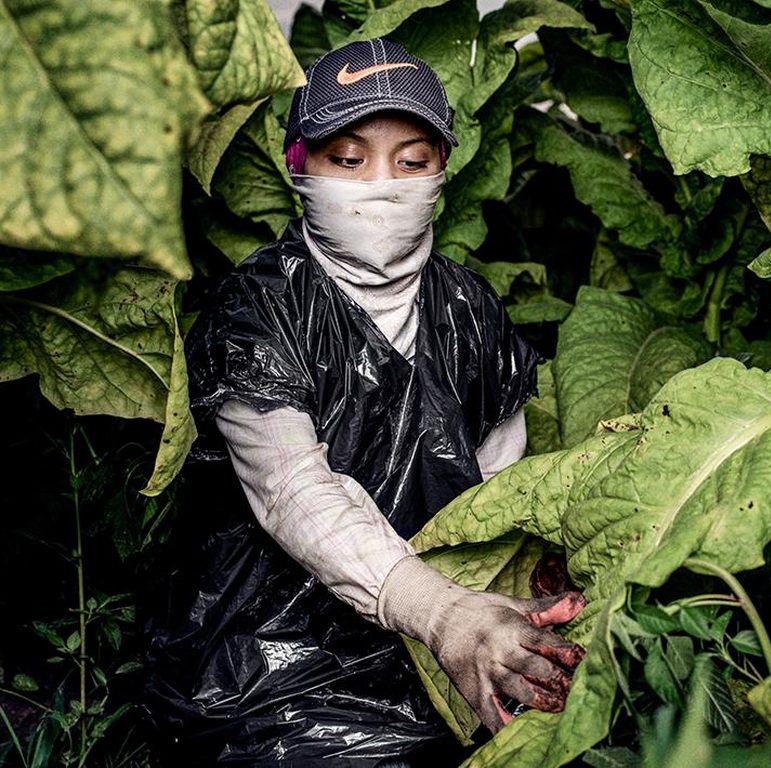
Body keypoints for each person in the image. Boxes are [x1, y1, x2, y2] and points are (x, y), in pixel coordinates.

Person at [144, 38, 585, 765]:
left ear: (442, 169)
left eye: (412, 162)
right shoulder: (259, 310)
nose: (381, 186)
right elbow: (293, 490)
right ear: (298, 166)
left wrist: (510, 608)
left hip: (441, 636)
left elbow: (503, 488)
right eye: (347, 161)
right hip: (271, 664)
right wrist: (441, 614)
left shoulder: (470, 307)